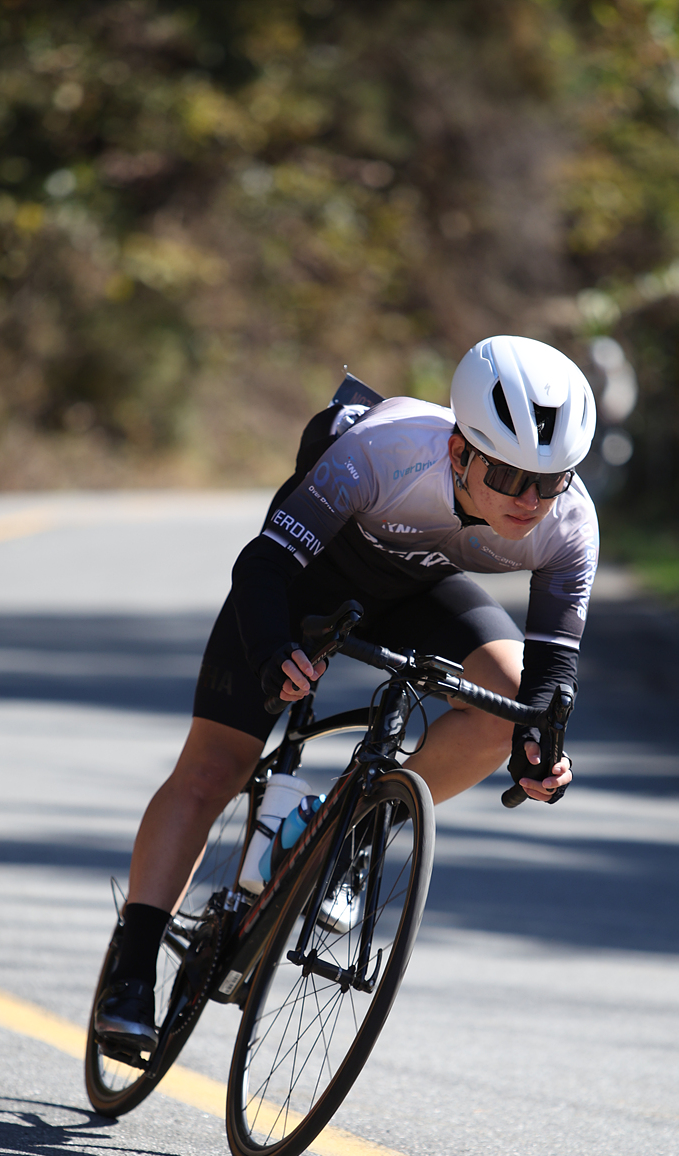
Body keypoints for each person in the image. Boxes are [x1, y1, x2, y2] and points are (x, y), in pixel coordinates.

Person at [95, 334, 600, 1055]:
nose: (531, 501)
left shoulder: (569, 521)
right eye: (510, 476)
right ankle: (134, 961)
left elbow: (551, 676)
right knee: (214, 768)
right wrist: (274, 653)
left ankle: (353, 833)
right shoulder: (385, 450)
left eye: (550, 482)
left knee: (505, 704)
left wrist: (538, 750)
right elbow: (263, 567)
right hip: (308, 577)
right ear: (459, 452)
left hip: (419, 587)